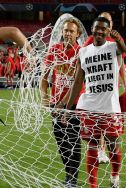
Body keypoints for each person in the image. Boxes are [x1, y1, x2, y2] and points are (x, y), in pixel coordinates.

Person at [65, 16, 125, 188]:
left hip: (110, 108)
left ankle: (115, 176)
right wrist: (68, 109)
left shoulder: (114, 48)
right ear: (92, 29)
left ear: (107, 31)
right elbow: (77, 82)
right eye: (97, 27)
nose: (99, 31)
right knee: (91, 147)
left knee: (113, 146)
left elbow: (123, 48)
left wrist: (119, 38)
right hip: (88, 107)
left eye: (103, 29)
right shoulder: (83, 52)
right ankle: (93, 185)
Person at [40, 17, 83, 187]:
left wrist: (63, 104)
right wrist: (44, 97)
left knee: (73, 141)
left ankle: (72, 177)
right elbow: (44, 77)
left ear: (77, 34)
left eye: (71, 31)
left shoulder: (81, 52)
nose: (68, 33)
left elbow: (76, 83)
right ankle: (68, 173)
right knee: (61, 142)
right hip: (55, 105)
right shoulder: (54, 51)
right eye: (65, 30)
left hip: (74, 104)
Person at [83, 11, 126, 164]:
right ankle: (100, 151)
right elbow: (83, 59)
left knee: (109, 128)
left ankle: (108, 157)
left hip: (111, 90)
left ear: (111, 25)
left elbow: (121, 63)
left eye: (108, 21)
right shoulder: (91, 39)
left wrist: (124, 84)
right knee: (97, 123)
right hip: (94, 87)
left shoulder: (117, 40)